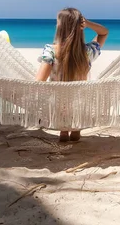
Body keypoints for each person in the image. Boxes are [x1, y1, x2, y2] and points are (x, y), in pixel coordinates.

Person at [36, 8, 109, 142]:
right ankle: (76, 130)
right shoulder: (87, 52)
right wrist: (88, 24)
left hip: (57, 103)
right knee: (75, 99)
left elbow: (39, 81)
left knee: (61, 98)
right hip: (81, 103)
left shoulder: (50, 51)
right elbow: (104, 33)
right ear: (80, 27)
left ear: (60, 27)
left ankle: (63, 132)